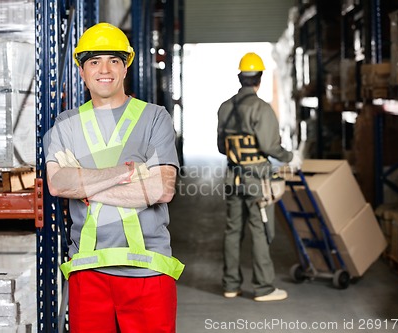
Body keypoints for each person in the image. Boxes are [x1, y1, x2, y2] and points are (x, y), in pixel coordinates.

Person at [44, 22, 184, 333]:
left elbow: (162, 188)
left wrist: (85, 187)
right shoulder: (66, 123)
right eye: (94, 61)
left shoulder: (154, 117)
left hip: (149, 269)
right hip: (88, 269)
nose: (104, 69)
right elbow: (57, 184)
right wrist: (127, 173)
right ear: (82, 71)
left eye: (114, 61)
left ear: (124, 69)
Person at [217, 52, 302, 301]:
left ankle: (230, 285)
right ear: (259, 80)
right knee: (260, 229)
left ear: (240, 77)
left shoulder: (225, 107)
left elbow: (222, 147)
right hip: (256, 181)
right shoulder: (261, 109)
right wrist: (290, 157)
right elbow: (270, 147)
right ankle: (263, 288)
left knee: (233, 230)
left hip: (232, 177)